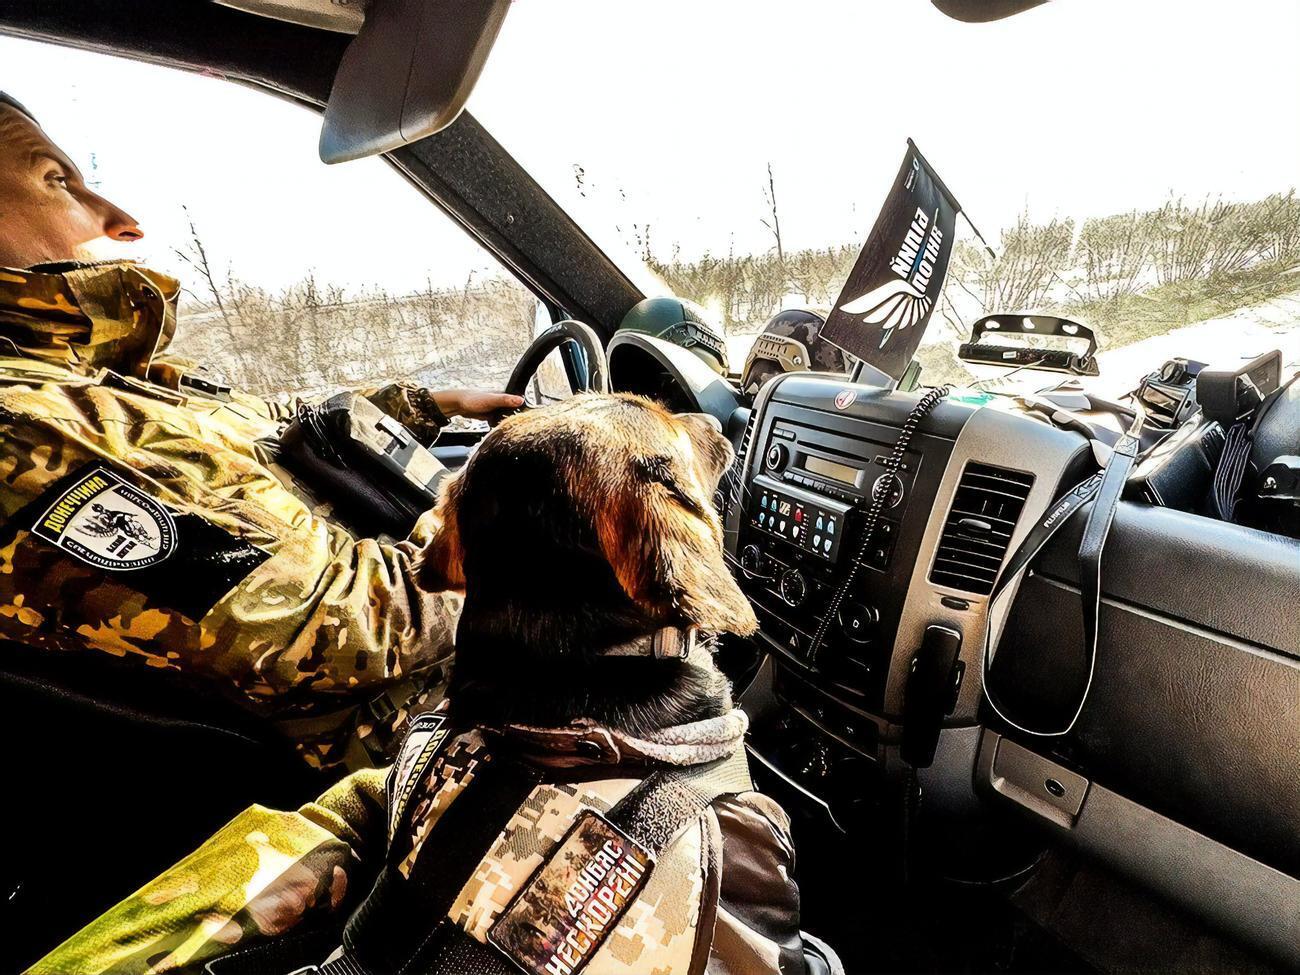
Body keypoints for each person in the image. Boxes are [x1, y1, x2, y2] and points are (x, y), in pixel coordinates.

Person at [0, 91, 522, 769]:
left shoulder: (100, 380)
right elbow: (335, 627)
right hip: (430, 749)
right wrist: (520, 532)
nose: (123, 221)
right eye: (56, 180)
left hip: (460, 683)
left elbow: (266, 423)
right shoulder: (26, 435)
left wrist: (425, 403)